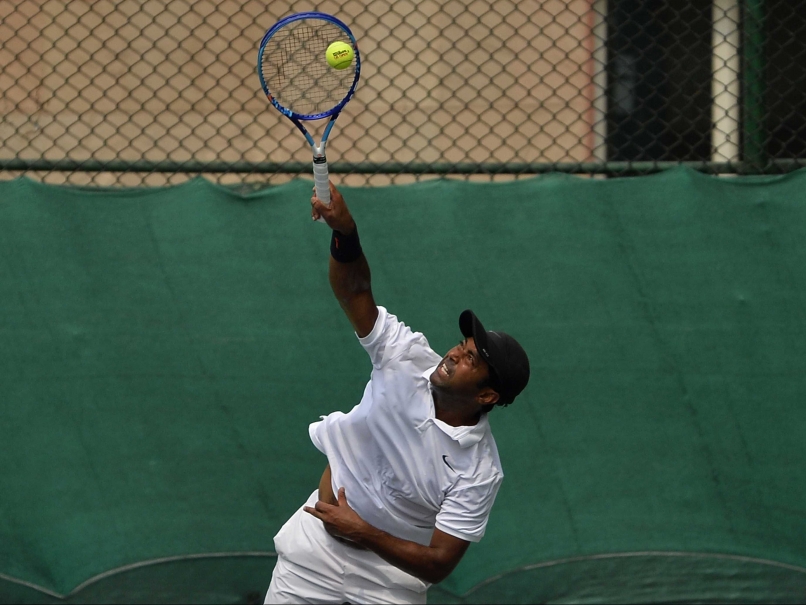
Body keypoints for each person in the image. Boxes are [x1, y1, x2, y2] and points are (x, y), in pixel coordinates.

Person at [265, 182, 530, 604]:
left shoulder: (478, 471)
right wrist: (345, 232)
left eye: (471, 360)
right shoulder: (405, 357)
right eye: (461, 346)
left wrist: (363, 532)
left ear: (486, 396)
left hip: (389, 585)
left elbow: (440, 562)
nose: (455, 354)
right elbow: (354, 291)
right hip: (312, 553)